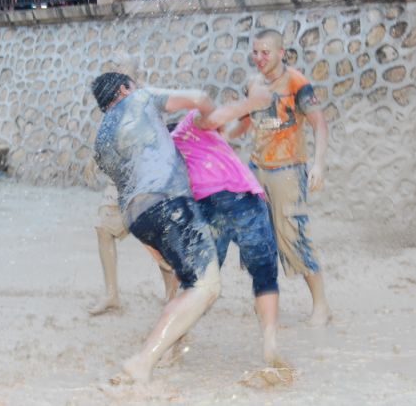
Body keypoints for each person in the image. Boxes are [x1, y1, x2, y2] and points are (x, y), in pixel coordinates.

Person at [91, 72, 272, 383]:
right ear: (125, 88)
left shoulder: (102, 137)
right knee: (205, 286)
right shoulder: (140, 98)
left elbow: (125, 186)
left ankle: (158, 355)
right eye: (133, 83)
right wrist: (212, 115)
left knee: (191, 283)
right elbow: (199, 97)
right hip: (168, 203)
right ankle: (143, 361)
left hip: (137, 216)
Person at [224, 28, 332, 326]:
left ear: (281, 53)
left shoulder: (297, 83)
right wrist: (221, 140)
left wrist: (319, 164)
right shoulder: (253, 84)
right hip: (257, 169)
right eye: (255, 52)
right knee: (257, 238)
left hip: (288, 169)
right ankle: (267, 302)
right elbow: (245, 124)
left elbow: (319, 124)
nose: (259, 58)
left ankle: (321, 306)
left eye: (265, 52)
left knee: (293, 237)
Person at [173, 108, 283, 366]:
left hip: (207, 207)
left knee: (199, 280)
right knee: (265, 273)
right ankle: (270, 343)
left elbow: (229, 131)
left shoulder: (185, 150)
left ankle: (173, 344)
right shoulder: (190, 123)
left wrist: (246, 120)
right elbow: (213, 118)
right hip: (241, 201)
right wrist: (252, 100)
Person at [89, 179, 178, 316]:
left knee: (158, 235)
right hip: (121, 175)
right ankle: (112, 296)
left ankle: (172, 299)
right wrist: (96, 158)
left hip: (151, 175)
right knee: (104, 227)